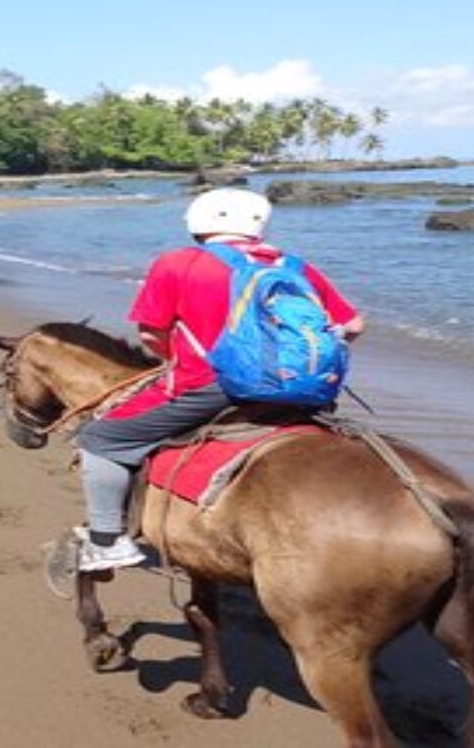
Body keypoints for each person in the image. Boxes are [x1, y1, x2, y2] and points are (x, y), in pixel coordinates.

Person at [71, 187, 366, 571]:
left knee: (101, 438)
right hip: (306, 391)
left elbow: (150, 335)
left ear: (199, 222)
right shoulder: (293, 265)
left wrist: (174, 361)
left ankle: (109, 542)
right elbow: (353, 325)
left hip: (216, 387)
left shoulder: (177, 262)